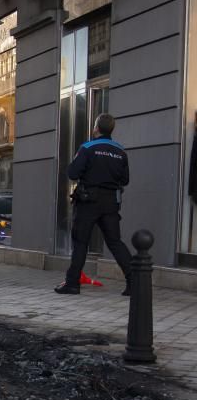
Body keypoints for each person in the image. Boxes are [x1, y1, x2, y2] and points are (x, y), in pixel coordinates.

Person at [55, 113, 132, 296]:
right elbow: (125, 180)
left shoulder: (88, 148)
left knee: (81, 243)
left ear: (96, 128)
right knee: (115, 242)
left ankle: (72, 284)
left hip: (88, 201)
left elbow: (73, 173)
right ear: (111, 129)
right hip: (111, 202)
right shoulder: (120, 151)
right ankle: (135, 282)